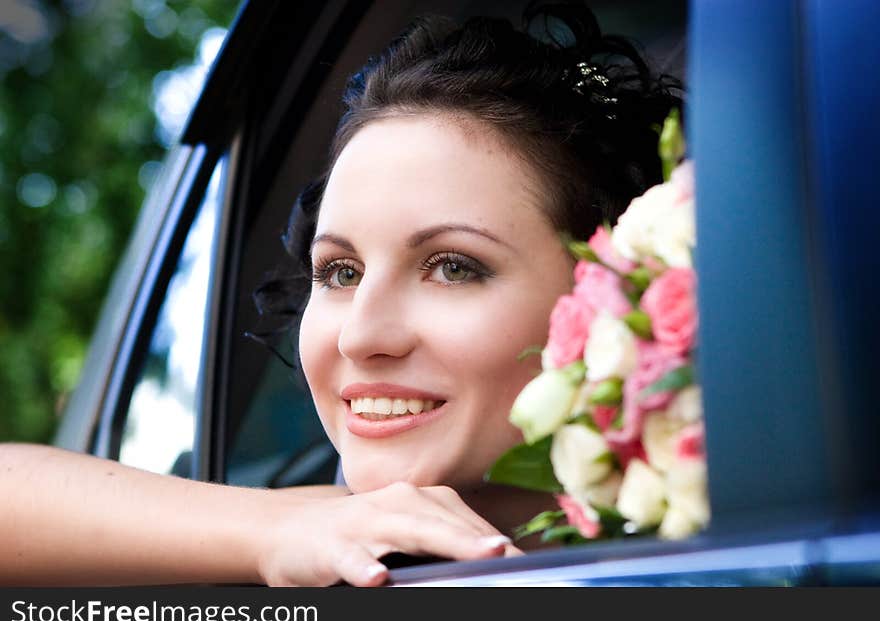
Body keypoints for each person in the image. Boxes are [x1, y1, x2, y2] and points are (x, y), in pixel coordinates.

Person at [1, 1, 681, 587]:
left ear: (612, 291)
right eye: (341, 272)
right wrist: (283, 527)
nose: (360, 334)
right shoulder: (300, 550)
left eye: (451, 266)